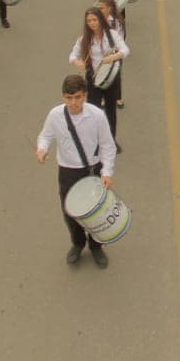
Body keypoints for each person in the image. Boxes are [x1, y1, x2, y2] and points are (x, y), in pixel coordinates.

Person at [36, 75, 117, 268]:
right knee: (70, 213)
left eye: (78, 97)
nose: (74, 103)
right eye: (69, 98)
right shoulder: (55, 115)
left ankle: (96, 246)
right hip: (67, 172)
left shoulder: (97, 115)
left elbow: (108, 146)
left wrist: (107, 172)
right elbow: (45, 136)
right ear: (63, 97)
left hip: (92, 170)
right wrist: (42, 148)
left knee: (95, 213)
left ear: (86, 96)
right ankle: (78, 243)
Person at [69, 8, 128, 149]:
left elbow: (125, 50)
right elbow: (72, 55)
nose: (92, 23)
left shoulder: (112, 35)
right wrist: (77, 62)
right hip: (93, 80)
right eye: (89, 21)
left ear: (100, 20)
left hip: (110, 79)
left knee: (110, 110)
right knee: (93, 111)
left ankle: (111, 140)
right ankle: (94, 141)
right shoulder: (84, 39)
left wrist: (113, 56)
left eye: (94, 19)